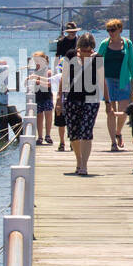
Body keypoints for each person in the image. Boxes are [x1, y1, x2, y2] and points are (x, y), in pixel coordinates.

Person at [57, 32, 106, 176]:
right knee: (73, 134)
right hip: (72, 99)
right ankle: (78, 160)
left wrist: (108, 102)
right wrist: (59, 99)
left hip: (91, 100)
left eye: (89, 50)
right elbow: (63, 78)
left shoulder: (97, 58)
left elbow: (102, 80)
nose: (86, 53)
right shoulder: (70, 55)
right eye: (83, 50)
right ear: (78, 48)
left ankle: (84, 165)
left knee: (86, 132)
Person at [96, 18, 133, 151]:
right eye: (108, 30)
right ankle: (113, 141)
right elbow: (97, 59)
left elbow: (131, 62)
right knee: (110, 111)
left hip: (123, 79)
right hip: (107, 80)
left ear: (120, 29)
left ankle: (118, 132)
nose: (110, 32)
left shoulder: (127, 43)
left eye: (113, 30)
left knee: (124, 111)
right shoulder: (104, 43)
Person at [52, 22, 77, 151]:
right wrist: (56, 71)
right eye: (70, 31)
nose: (72, 33)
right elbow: (57, 56)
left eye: (74, 31)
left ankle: (73, 141)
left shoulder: (79, 41)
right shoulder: (61, 42)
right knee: (61, 117)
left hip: (77, 73)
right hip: (63, 69)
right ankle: (62, 142)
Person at [28, 50, 54, 144]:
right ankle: (40, 137)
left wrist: (38, 80)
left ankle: (48, 135)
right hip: (37, 97)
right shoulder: (34, 72)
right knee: (39, 117)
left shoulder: (49, 71)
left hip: (47, 96)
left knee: (48, 115)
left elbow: (49, 84)